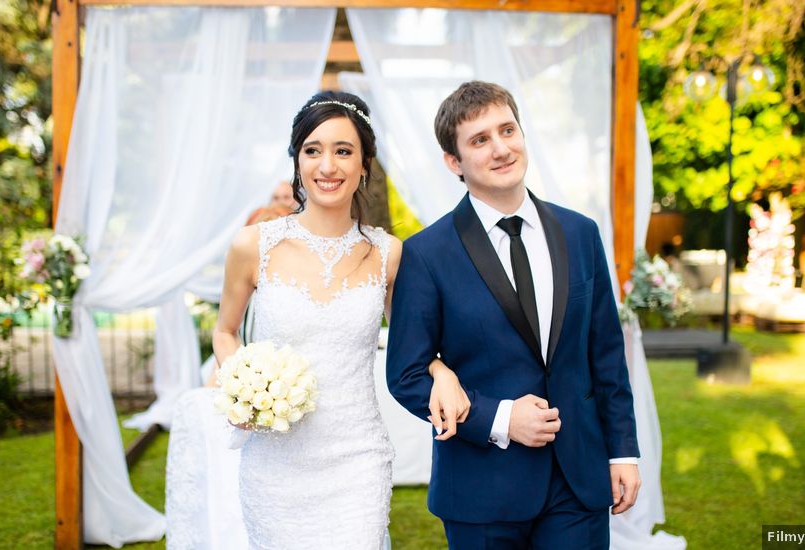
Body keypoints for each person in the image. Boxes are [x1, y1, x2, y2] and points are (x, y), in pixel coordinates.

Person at [205, 91, 467, 549]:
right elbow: (224, 332)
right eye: (313, 150)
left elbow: (413, 344)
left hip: (356, 460)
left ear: (364, 163)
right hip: (274, 462)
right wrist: (241, 383)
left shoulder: (388, 254)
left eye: (343, 151)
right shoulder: (253, 245)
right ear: (297, 160)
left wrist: (441, 370)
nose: (328, 166)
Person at [386, 81, 641, 549]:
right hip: (482, 489)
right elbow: (405, 374)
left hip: (577, 481)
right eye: (480, 140)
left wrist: (623, 451)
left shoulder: (580, 233)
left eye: (508, 130)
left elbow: (605, 354)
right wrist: (501, 419)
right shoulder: (425, 254)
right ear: (454, 162)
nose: (501, 148)